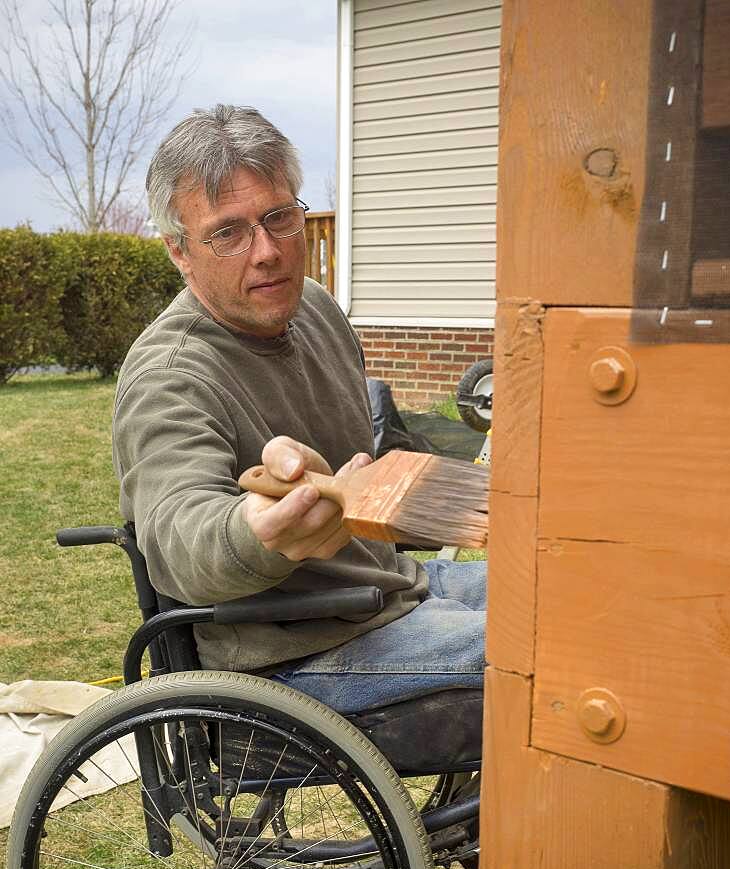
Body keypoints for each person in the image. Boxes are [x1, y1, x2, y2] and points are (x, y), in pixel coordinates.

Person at [113, 104, 486, 715]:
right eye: (228, 232)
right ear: (180, 252)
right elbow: (179, 537)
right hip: (289, 653)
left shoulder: (315, 308)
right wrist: (259, 533)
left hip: (384, 589)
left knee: (573, 598)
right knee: (556, 650)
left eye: (279, 217)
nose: (266, 251)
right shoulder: (169, 377)